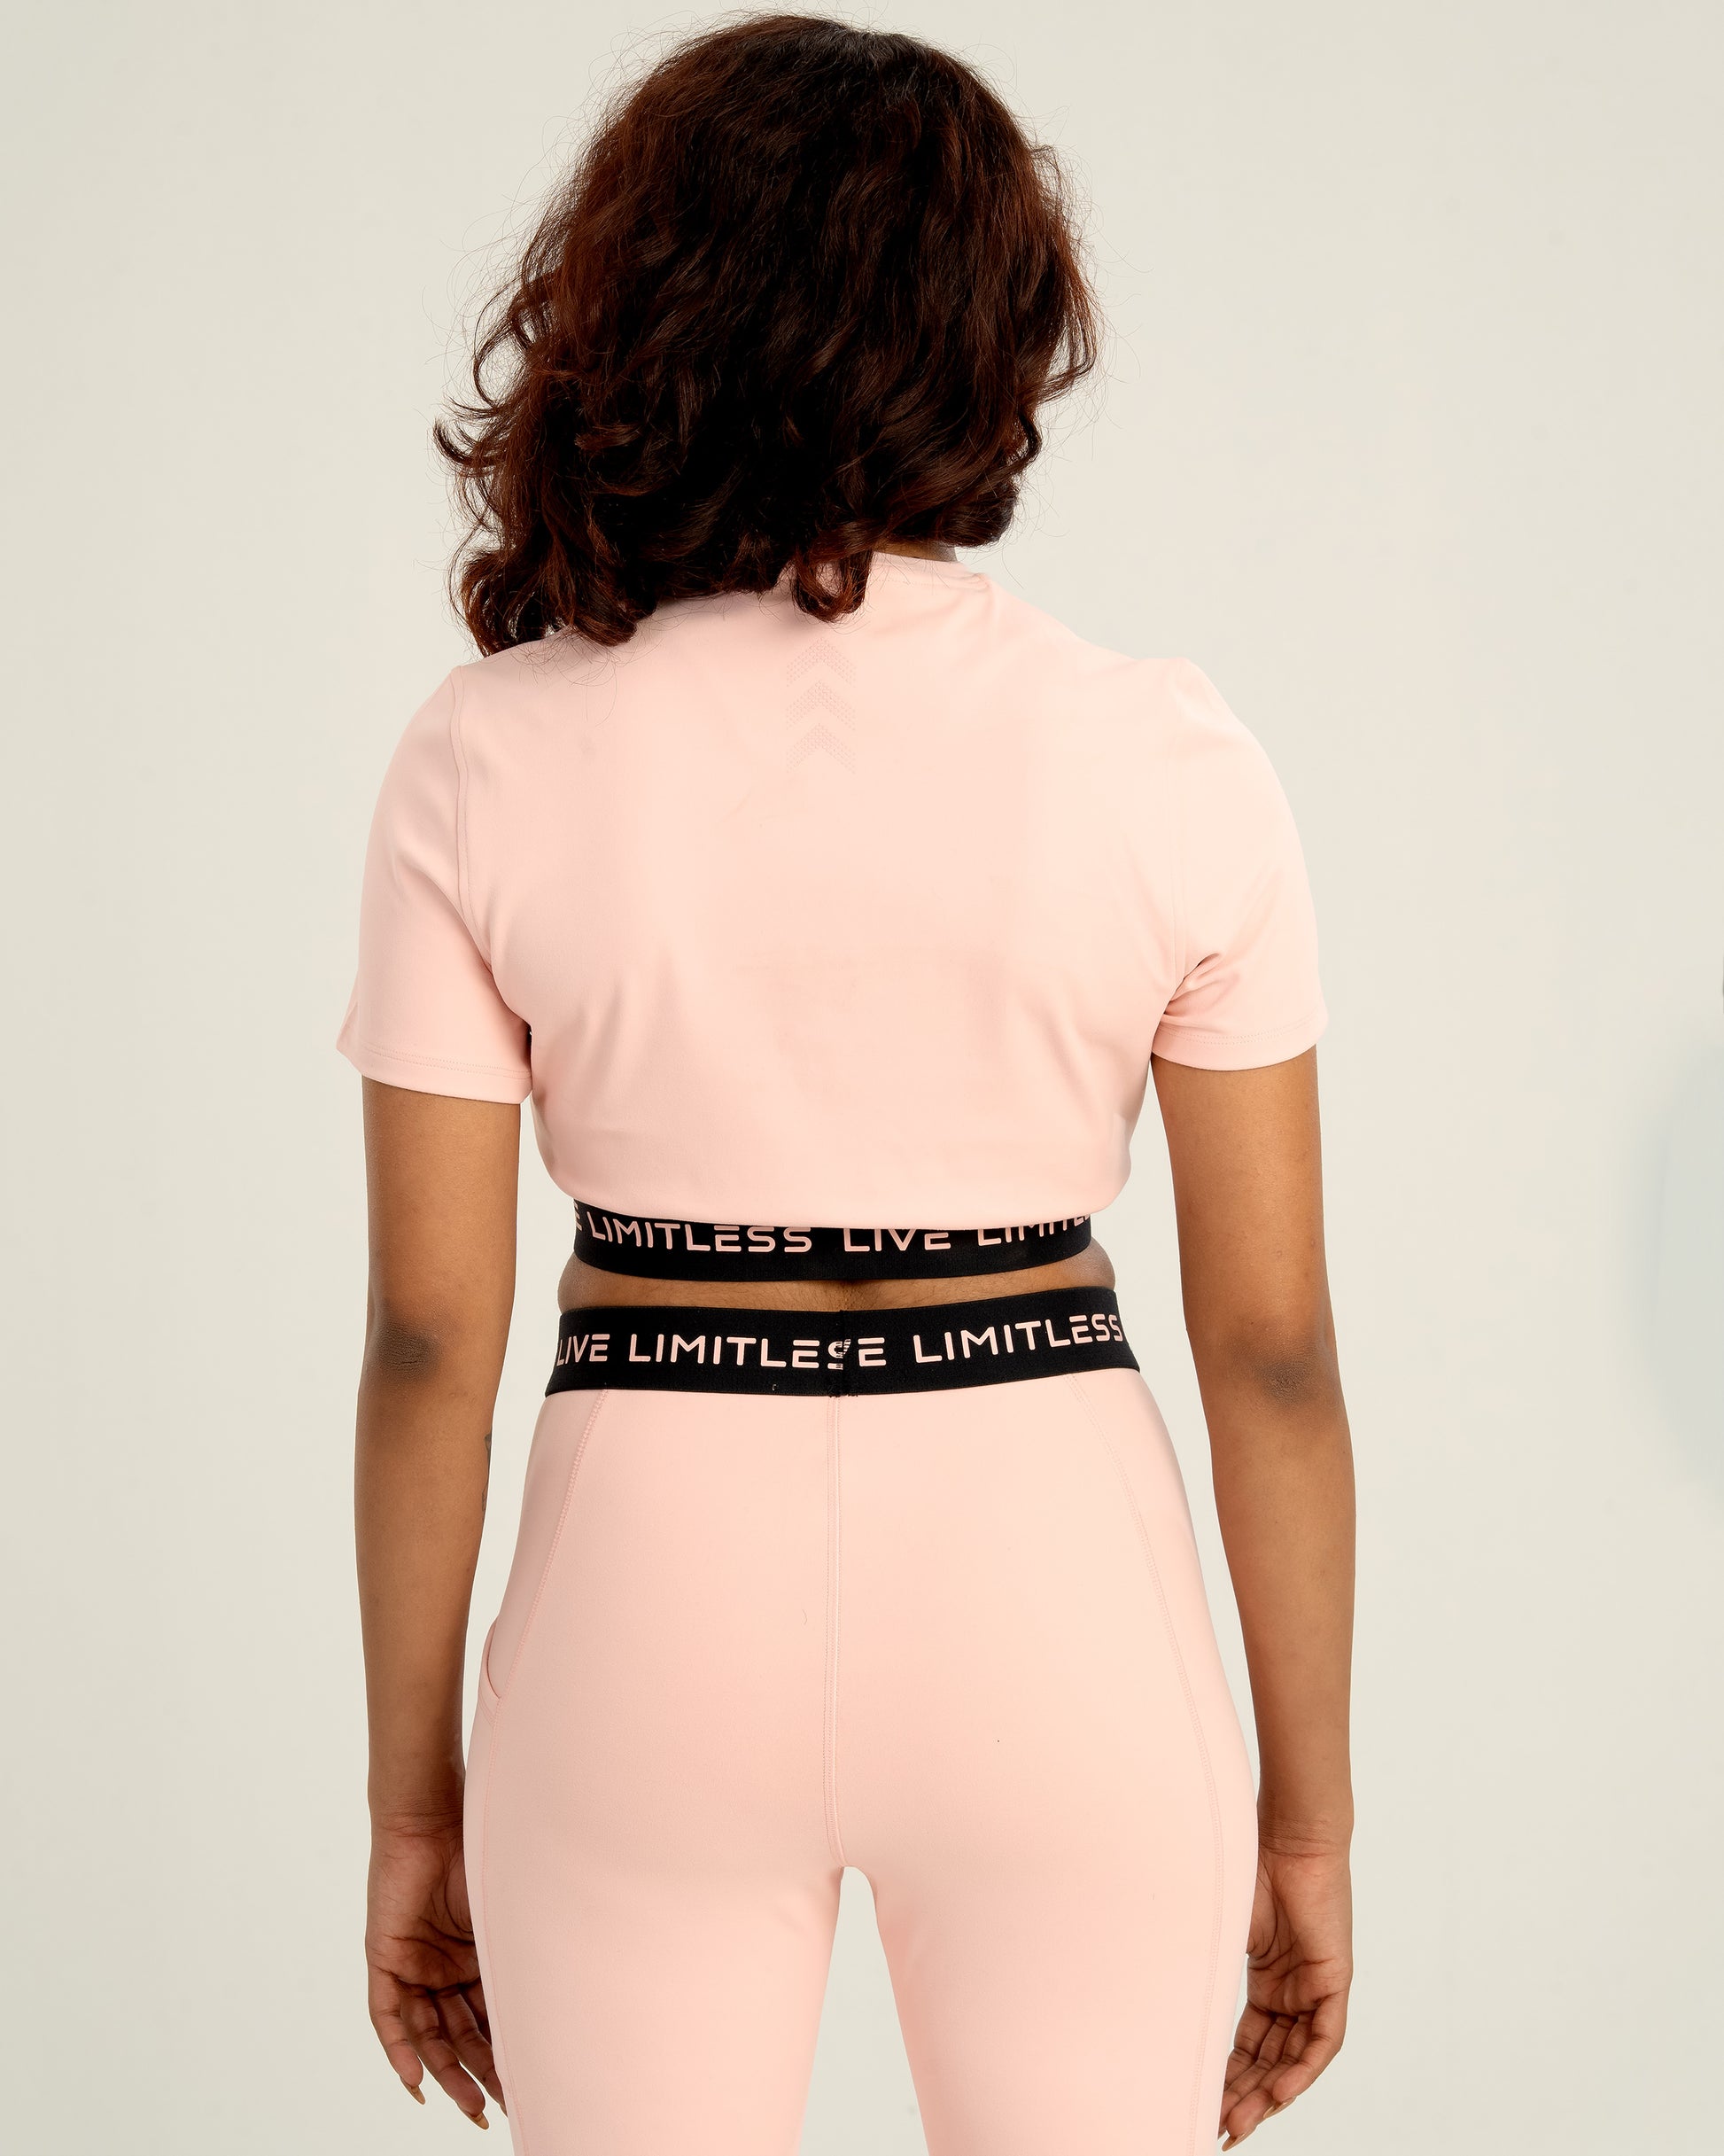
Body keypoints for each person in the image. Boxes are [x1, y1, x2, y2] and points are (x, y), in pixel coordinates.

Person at [338, 16, 1355, 2154]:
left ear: (644, 298)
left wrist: (414, 1808)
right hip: (1049, 1575)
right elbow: (1265, 1347)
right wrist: (1309, 1824)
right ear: (993, 335)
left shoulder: (487, 748)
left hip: (647, 1586)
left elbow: (432, 1335)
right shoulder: (1162, 751)